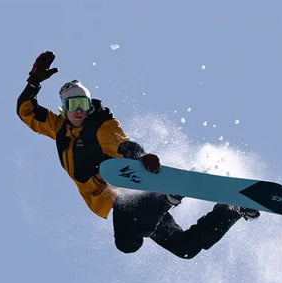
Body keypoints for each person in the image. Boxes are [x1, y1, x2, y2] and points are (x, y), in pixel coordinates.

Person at [17, 51, 258, 257]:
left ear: (90, 106)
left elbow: (122, 144)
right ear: (63, 110)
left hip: (125, 197)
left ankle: (166, 197)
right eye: (72, 106)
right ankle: (231, 210)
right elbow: (26, 112)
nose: (78, 111)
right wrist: (34, 82)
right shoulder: (57, 127)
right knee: (184, 249)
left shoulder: (100, 125)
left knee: (127, 243)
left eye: (83, 104)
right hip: (135, 208)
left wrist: (142, 157)